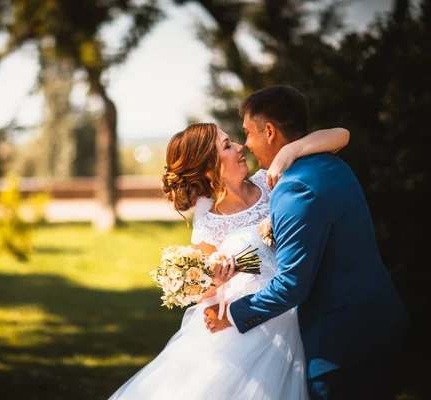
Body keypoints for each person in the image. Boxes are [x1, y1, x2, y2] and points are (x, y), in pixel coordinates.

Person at [108, 121, 350, 400]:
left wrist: (289, 152)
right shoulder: (209, 225)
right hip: (253, 331)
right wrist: (217, 280)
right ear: (210, 169)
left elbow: (340, 135)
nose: (240, 147)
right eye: (227, 146)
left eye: (232, 141)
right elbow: (207, 304)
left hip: (303, 307)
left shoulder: (271, 180)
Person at [204, 85, 410, 399]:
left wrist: (230, 315)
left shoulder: (292, 189)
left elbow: (292, 285)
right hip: (381, 319)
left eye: (247, 132)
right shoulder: (330, 164)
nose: (245, 143)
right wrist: (291, 151)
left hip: (342, 341)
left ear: (269, 131)